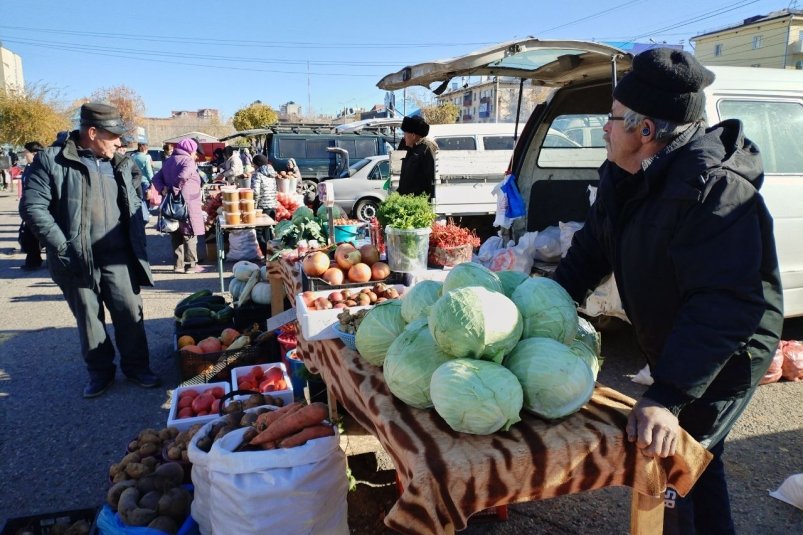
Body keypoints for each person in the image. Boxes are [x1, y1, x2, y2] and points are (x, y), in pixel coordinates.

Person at [552, 48, 783, 535]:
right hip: (679, 338)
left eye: (612, 119)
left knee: (681, 462)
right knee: (693, 464)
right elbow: (592, 248)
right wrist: (543, 305)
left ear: (645, 130)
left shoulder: (716, 191)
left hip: (724, 353)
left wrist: (667, 395)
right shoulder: (626, 175)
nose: (605, 129)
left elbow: (723, 306)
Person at [20, 102, 160, 398]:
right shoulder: (52, 160)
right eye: (114, 136)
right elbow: (32, 207)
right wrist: (62, 245)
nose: (120, 142)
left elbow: (135, 194)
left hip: (120, 256)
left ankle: (137, 367)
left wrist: (137, 231)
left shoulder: (121, 162)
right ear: (92, 132)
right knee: (89, 317)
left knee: (129, 312)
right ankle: (100, 372)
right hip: (76, 258)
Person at [152, 137, 205, 273]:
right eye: (194, 151)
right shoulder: (188, 161)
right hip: (187, 202)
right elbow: (183, 176)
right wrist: (174, 188)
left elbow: (156, 178)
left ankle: (178, 264)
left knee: (175, 232)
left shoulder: (169, 161)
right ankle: (191, 265)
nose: (195, 154)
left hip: (171, 203)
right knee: (189, 233)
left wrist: (164, 188)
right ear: (190, 150)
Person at [18, 141, 46, 270]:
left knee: (32, 236)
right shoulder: (29, 167)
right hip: (28, 207)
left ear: (34, 153)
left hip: (37, 207)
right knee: (31, 236)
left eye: (26, 153)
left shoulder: (40, 167)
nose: (24, 155)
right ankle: (33, 260)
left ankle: (33, 262)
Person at [396, 115, 436, 199]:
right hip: (407, 201)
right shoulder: (410, 148)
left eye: (405, 134)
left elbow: (432, 179)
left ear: (413, 136)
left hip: (419, 202)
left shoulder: (427, 148)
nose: (404, 137)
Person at [251, 154, 278, 254]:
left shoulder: (258, 174)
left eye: (254, 165)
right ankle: (272, 255)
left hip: (262, 207)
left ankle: (266, 254)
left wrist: (253, 206)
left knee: (259, 233)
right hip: (273, 206)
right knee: (269, 232)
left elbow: (255, 192)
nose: (253, 167)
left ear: (257, 164)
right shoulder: (272, 174)